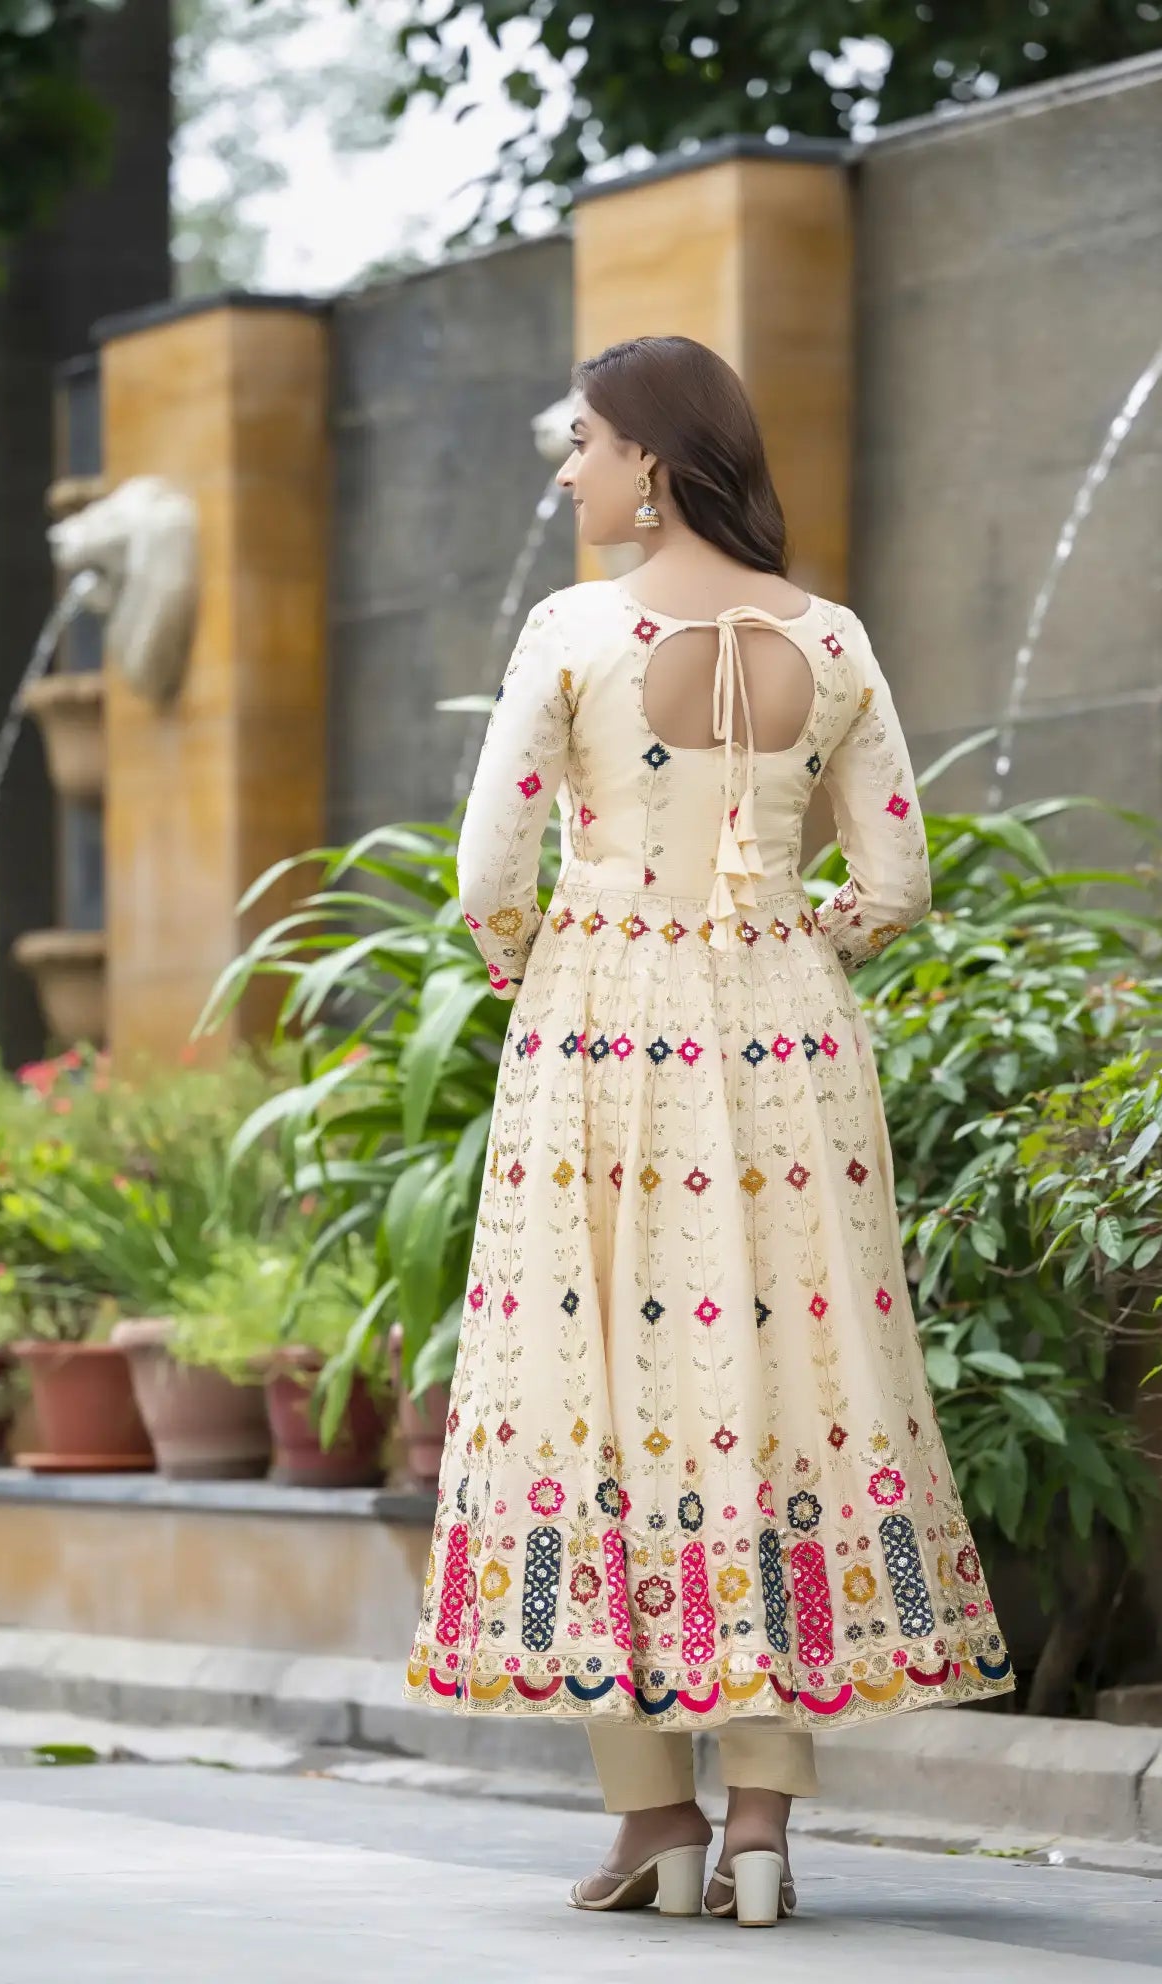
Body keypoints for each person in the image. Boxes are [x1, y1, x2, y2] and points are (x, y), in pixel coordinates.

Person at [403, 333, 1015, 1927]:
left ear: (653, 464)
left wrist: (531, 953)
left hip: (604, 1026)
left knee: (596, 1393)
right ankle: (761, 1829)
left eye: (586, 444)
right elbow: (895, 883)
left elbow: (486, 867)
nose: (568, 472)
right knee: (779, 1386)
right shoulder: (837, 636)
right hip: (785, 1041)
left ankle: (650, 1820)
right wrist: (797, 939)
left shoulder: (577, 632)